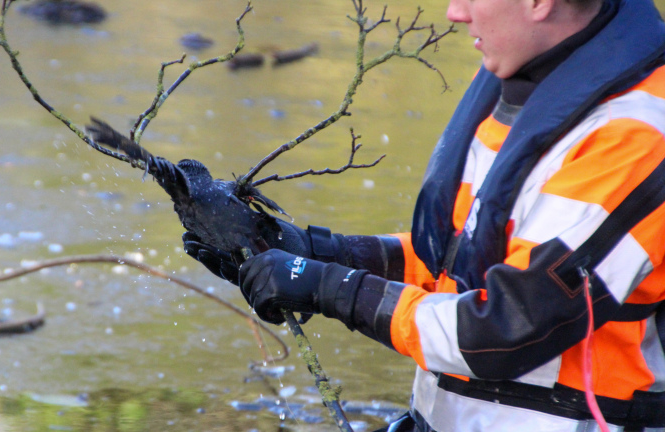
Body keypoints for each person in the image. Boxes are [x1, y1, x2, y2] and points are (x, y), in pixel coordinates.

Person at [184, 0, 665, 430]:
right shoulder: (528, 81)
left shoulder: (637, 138)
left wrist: (328, 288)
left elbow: (502, 328)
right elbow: (463, 253)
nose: (454, 12)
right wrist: (316, 252)